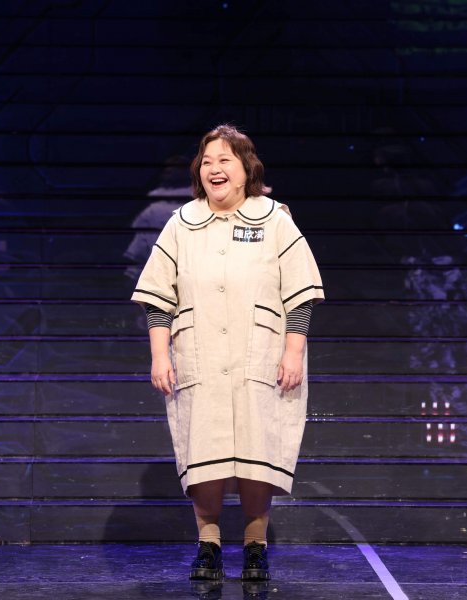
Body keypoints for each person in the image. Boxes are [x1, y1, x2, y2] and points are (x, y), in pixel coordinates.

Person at [131, 125, 324, 583]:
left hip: (262, 358)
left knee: (258, 451)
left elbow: (300, 294)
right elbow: (158, 297)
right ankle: (209, 544)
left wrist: (293, 352)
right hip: (199, 357)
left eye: (225, 160)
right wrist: (160, 355)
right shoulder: (182, 224)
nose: (214, 169)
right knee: (205, 450)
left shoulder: (274, 220)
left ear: (245, 168)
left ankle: (256, 546)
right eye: (207, 161)